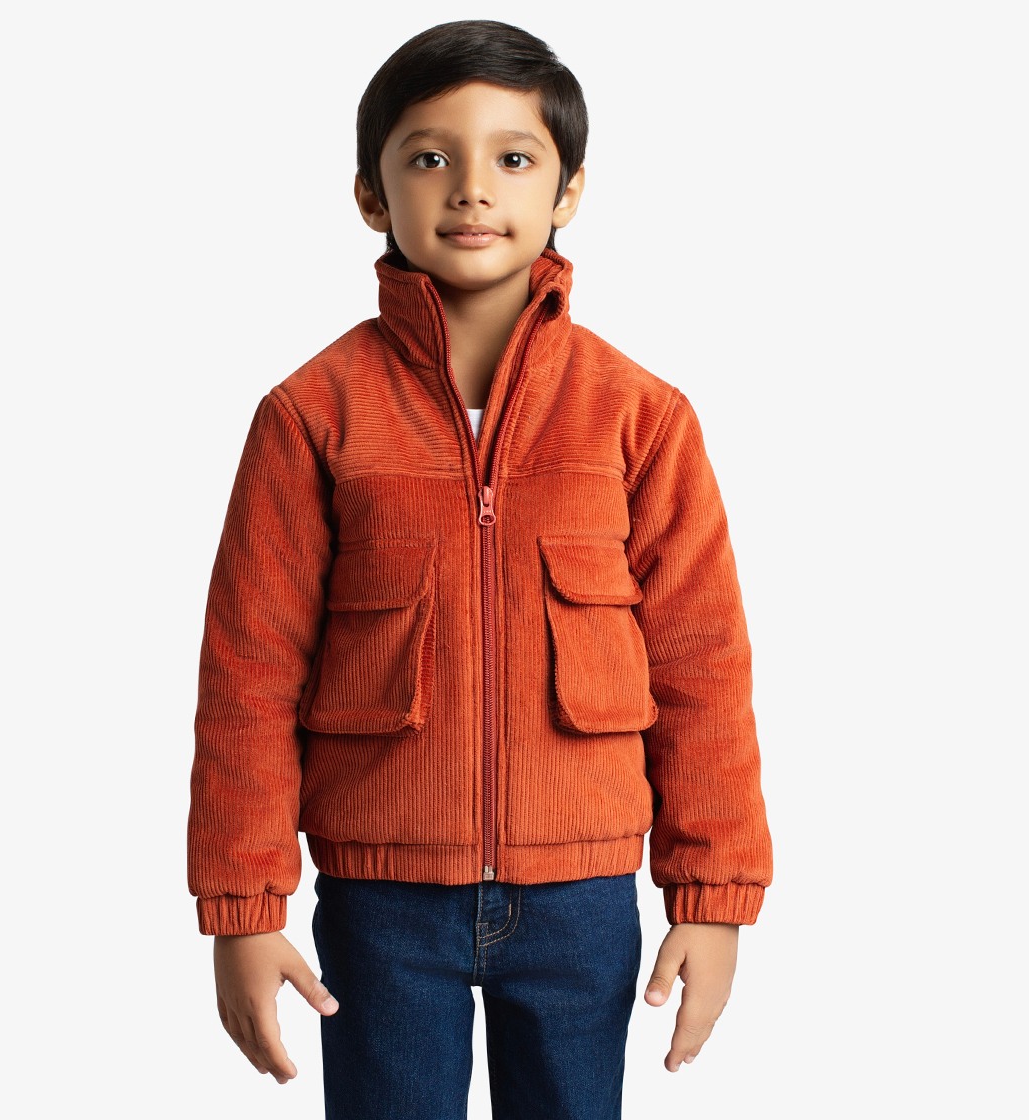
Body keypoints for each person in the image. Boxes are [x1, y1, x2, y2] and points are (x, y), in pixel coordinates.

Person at [187, 18, 773, 1118]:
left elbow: (702, 667)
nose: (471, 188)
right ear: (371, 196)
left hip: (582, 894)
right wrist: (242, 908)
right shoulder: (311, 416)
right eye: (428, 157)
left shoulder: (641, 418)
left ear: (568, 190)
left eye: (513, 157)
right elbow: (248, 674)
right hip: (380, 898)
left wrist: (713, 892)